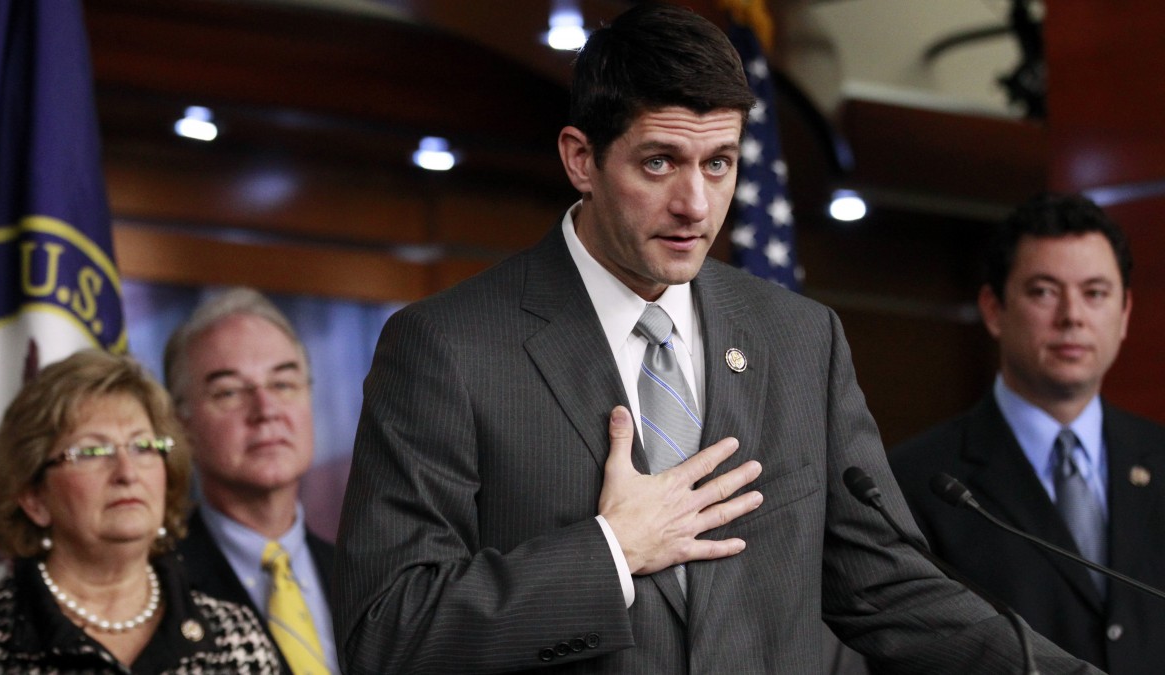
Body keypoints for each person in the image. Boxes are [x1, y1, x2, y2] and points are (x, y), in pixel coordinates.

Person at [334, 4, 1099, 673]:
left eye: (720, 163)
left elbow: (889, 585)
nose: (695, 204)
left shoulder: (801, 339)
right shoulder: (447, 348)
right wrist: (611, 553)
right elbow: (386, 632)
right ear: (580, 159)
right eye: (660, 162)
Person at [889, 192, 1165, 674]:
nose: (1072, 316)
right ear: (994, 310)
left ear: (1123, 315)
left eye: (1095, 293)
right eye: (1044, 291)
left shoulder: (1160, 457)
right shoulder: (916, 481)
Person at [0, 349, 281, 673]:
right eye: (91, 452)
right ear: (34, 498)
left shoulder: (235, 634)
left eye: (143, 447)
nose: (127, 472)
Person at [164, 287, 339, 675]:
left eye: (283, 384)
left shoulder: (365, 575)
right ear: (181, 424)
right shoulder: (153, 586)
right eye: (228, 392)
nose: (266, 410)